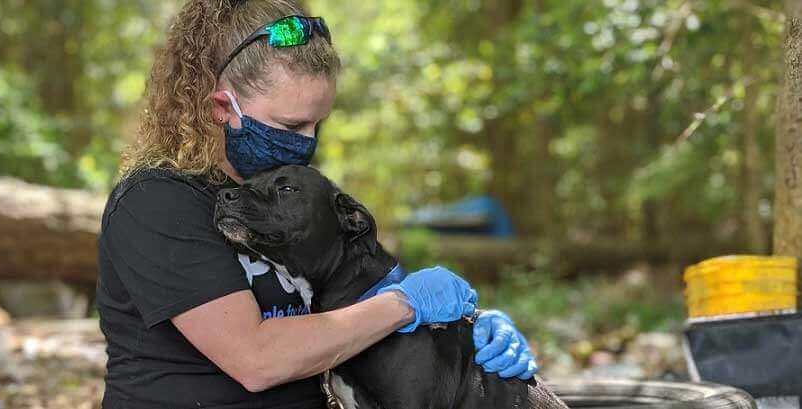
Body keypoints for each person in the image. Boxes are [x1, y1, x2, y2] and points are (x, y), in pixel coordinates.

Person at [96, 1, 537, 408]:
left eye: (317, 123)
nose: (306, 141)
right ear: (221, 107)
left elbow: (357, 299)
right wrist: (406, 304)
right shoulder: (156, 202)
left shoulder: (290, 198)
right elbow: (257, 359)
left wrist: (465, 332)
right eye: (291, 124)